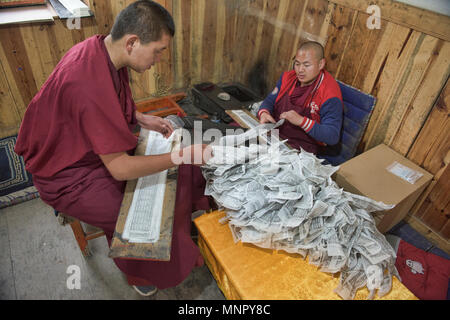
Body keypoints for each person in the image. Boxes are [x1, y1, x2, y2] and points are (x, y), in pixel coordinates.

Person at [14, 0, 211, 297]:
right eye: (158, 51)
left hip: (89, 154)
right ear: (132, 42)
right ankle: (140, 271)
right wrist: (179, 156)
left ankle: (184, 226)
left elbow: (115, 106)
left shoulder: (101, 50)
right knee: (138, 217)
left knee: (175, 179)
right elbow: (119, 169)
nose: (158, 59)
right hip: (66, 176)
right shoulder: (87, 82)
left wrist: (142, 119)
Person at [258, 41, 343, 155]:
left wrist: (301, 121)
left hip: (301, 149)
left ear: (321, 64)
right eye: (297, 64)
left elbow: (332, 136)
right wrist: (264, 113)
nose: (300, 70)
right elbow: (269, 100)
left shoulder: (329, 93)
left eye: (307, 65)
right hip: (275, 136)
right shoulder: (288, 78)